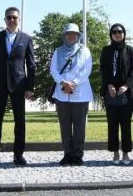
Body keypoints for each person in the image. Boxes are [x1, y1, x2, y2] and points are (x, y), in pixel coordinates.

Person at [0, 7, 36, 166]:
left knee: (20, 121)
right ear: (4, 19)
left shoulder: (26, 38)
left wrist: (30, 87)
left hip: (18, 85)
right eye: (9, 17)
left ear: (19, 19)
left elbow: (31, 65)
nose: (12, 20)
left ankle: (18, 155)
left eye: (14, 17)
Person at [50, 23, 93, 166]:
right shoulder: (57, 52)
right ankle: (67, 154)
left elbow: (86, 69)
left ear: (78, 36)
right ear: (64, 36)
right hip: (62, 94)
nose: (72, 36)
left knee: (80, 127)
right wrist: (63, 82)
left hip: (80, 94)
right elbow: (53, 70)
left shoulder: (84, 50)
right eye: (69, 34)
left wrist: (73, 83)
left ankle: (78, 155)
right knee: (65, 126)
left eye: (74, 34)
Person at [100, 23, 133, 165]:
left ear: (124, 34)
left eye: (120, 32)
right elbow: (103, 69)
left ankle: (126, 153)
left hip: (126, 93)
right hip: (110, 92)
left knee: (126, 124)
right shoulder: (106, 50)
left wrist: (126, 86)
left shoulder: (130, 50)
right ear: (111, 35)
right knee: (112, 124)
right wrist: (109, 85)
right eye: (114, 32)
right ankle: (115, 152)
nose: (117, 34)